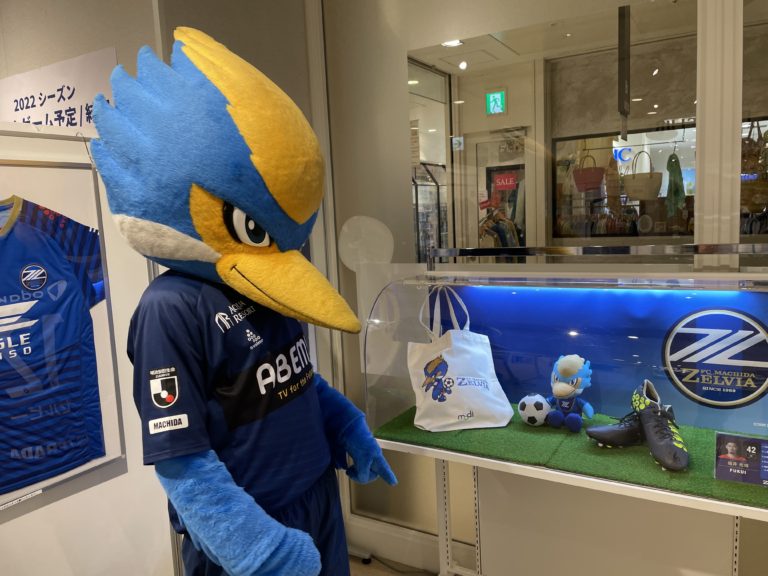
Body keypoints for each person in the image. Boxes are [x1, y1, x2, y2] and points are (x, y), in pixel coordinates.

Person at [92, 27, 396, 576]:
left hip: (316, 496)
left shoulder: (268, 280)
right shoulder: (170, 309)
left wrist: (345, 423)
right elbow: (180, 457)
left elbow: (293, 380)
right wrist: (256, 548)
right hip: (252, 526)